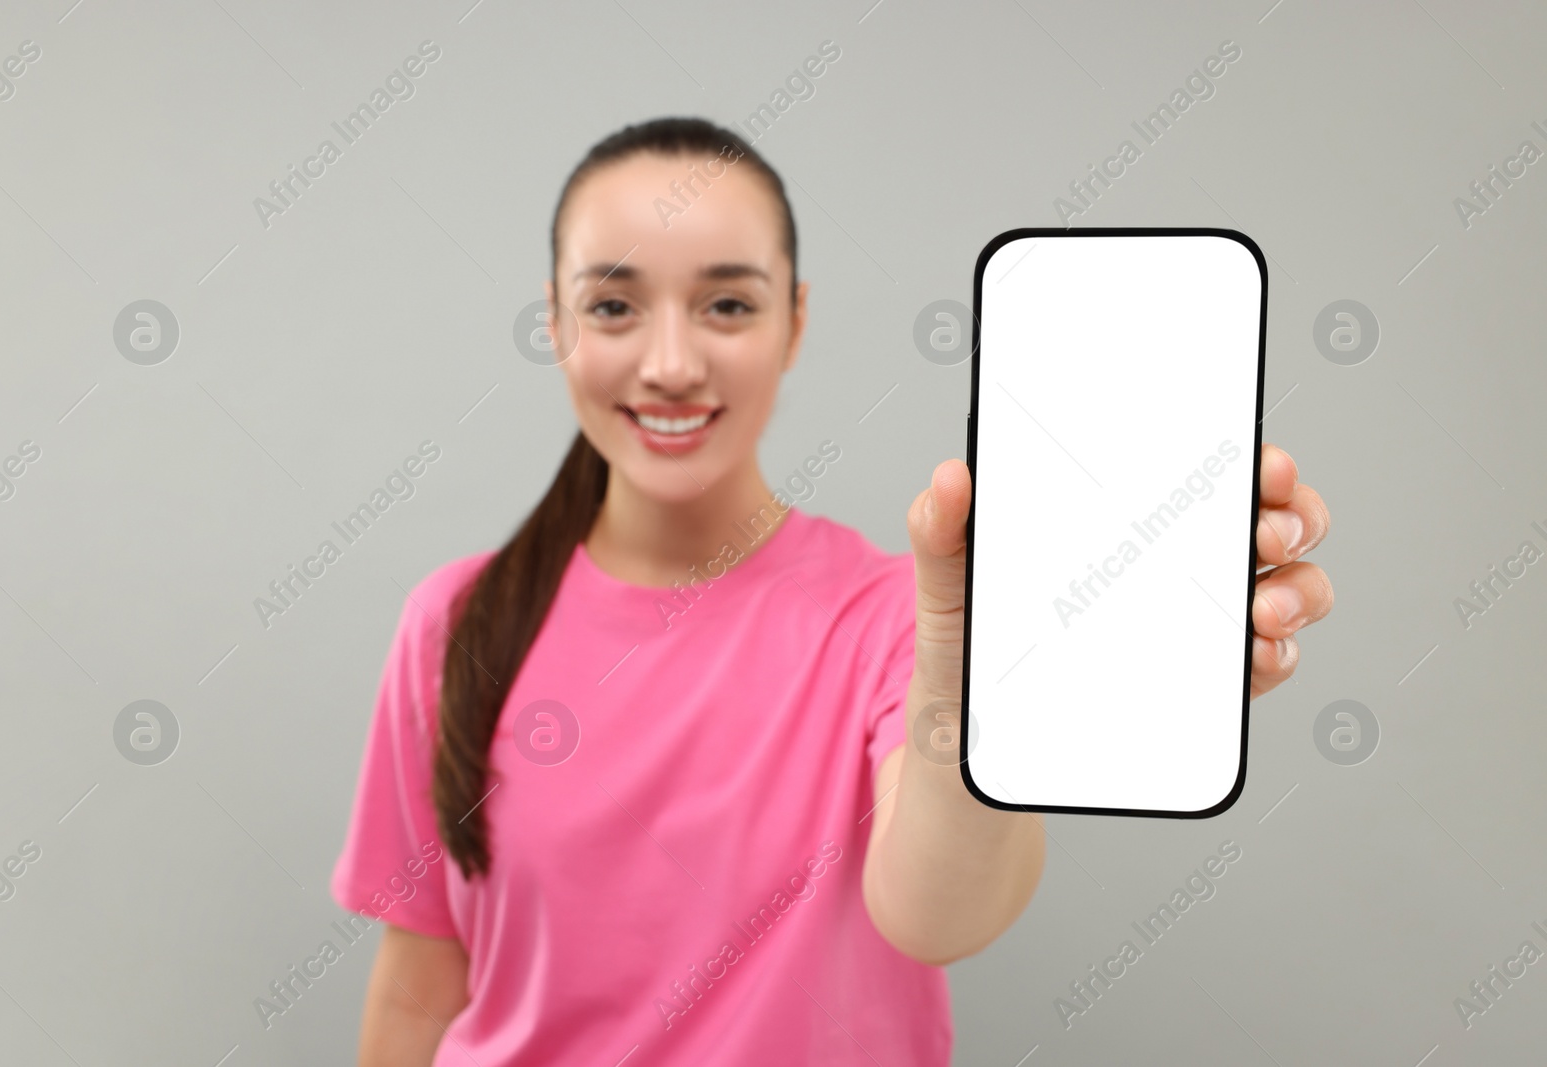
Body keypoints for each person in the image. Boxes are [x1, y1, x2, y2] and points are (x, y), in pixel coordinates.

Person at [330, 116, 1334, 1065]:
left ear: (794, 320)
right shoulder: (454, 622)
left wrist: (972, 664)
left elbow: (939, 912)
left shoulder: (895, 619)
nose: (671, 362)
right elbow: (421, 986)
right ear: (554, 322)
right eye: (612, 305)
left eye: (727, 302)